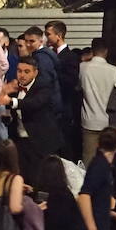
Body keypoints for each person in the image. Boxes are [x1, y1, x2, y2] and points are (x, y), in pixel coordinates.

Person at [0, 57, 64, 177]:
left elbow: (33, 103)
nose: (22, 75)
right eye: (19, 71)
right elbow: (9, 111)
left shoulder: (44, 86)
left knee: (40, 178)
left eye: (26, 71)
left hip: (41, 142)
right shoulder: (14, 88)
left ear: (35, 72)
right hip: (20, 141)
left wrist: (11, 101)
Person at [79, 38, 116, 165]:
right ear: (106, 51)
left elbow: (78, 86)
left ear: (92, 50)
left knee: (89, 159)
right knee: (108, 158)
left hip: (88, 122)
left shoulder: (83, 68)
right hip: (107, 122)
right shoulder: (113, 70)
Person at [45, 20, 83, 158]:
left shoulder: (70, 57)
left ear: (59, 35)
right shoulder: (48, 55)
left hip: (64, 110)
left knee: (65, 146)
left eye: (48, 34)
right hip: (50, 110)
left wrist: (52, 73)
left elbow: (71, 82)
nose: (46, 38)